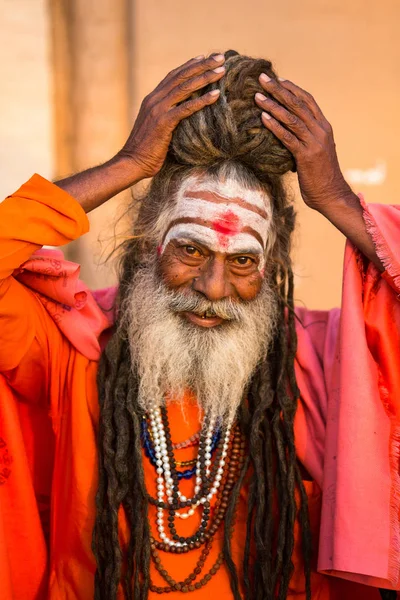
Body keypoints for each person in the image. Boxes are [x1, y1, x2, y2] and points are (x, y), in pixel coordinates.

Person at [0, 50, 399, 600]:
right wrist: (130, 163)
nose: (213, 288)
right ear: (148, 242)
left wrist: (334, 198)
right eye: (190, 249)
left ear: (272, 265)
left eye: (242, 261)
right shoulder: (77, 341)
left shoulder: (319, 363)